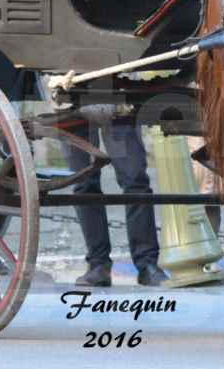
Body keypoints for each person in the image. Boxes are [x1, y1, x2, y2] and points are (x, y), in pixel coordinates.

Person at [63, 120, 169, 287]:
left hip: (118, 103)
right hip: (69, 102)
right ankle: (98, 265)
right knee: (83, 183)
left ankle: (147, 263)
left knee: (135, 180)